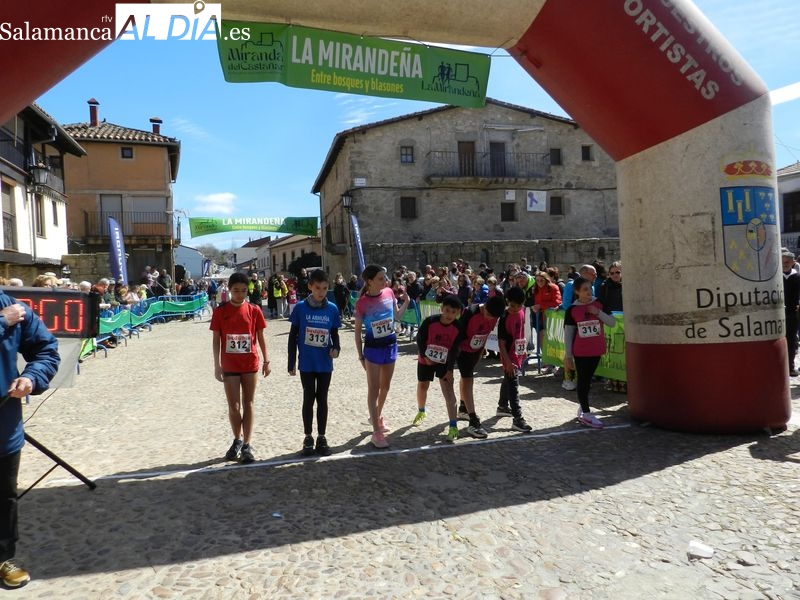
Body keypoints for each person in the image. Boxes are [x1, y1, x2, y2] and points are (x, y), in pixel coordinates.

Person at [0, 287, 60, 588]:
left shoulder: (12, 306)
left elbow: (46, 350)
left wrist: (32, 377)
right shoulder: (6, 314)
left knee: (3, 497)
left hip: (3, 427)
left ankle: (1, 558)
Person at [210, 272, 271, 464]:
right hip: (230, 364)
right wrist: (217, 365)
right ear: (229, 290)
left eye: (243, 290)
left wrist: (267, 360)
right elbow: (216, 340)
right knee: (234, 406)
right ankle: (237, 438)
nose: (240, 294)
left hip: (250, 363)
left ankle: (247, 443)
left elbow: (260, 337)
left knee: (249, 403)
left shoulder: (254, 310)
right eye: (236, 290)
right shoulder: (220, 311)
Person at [354, 264, 409, 448]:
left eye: (385, 277)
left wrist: (406, 302)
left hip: (390, 346)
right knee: (374, 389)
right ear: (370, 281)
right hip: (373, 349)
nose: (385, 281)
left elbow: (397, 317)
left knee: (385, 387)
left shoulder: (389, 293)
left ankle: (376, 417)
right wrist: (360, 356)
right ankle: (376, 433)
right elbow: (357, 332)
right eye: (380, 278)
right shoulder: (362, 303)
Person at [288, 270, 341, 456]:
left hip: (325, 363)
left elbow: (335, 334)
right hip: (307, 363)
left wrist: (337, 348)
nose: (321, 292)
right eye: (317, 288)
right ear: (310, 286)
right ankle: (308, 436)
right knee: (308, 398)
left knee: (323, 399)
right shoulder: (300, 308)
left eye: (325, 288)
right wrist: (291, 361)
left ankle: (322, 436)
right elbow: (293, 336)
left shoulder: (332, 309)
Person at [563, 276, 616, 428]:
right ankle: (586, 413)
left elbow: (612, 322)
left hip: (596, 349)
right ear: (577, 292)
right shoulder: (572, 309)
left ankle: (583, 406)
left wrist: (598, 312)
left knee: (588, 379)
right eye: (585, 289)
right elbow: (568, 334)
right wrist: (568, 356)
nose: (588, 292)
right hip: (580, 351)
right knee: (583, 380)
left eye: (590, 288)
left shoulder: (599, 303)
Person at [411, 294, 464, 442]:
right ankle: (421, 410)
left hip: (444, 362)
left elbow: (455, 349)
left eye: (453, 312)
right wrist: (425, 356)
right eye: (447, 310)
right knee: (423, 386)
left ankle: (453, 426)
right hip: (425, 359)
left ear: (458, 313)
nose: (449, 315)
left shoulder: (458, 327)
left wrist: (450, 369)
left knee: (448, 391)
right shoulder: (430, 321)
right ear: (441, 308)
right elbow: (420, 339)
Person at [454, 294, 506, 438]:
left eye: (493, 317)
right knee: (468, 380)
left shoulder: (495, 315)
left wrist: (480, 352)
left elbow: (486, 334)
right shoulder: (470, 312)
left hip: (476, 351)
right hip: (463, 350)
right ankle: (473, 421)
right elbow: (458, 334)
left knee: (466, 378)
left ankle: (463, 408)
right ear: (485, 307)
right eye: (488, 315)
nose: (490, 319)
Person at [496, 286, 533, 433]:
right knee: (514, 387)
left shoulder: (522, 312)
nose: (515, 309)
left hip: (517, 354)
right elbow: (501, 343)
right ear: (507, 301)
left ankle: (502, 406)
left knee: (508, 379)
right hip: (509, 356)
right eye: (512, 305)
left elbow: (521, 333)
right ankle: (518, 419)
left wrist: (523, 352)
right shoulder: (504, 317)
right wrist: (508, 362)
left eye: (518, 306)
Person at [531, 271, 562, 358]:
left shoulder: (553, 287)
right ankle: (545, 358)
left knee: (552, 339)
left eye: (542, 280)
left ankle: (553, 359)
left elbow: (557, 302)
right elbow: (537, 303)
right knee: (541, 338)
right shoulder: (536, 289)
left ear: (546, 279)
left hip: (552, 317)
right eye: (537, 280)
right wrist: (535, 307)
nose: (539, 282)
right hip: (540, 317)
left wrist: (540, 306)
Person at [782, 250, 800, 376]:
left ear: (793, 262)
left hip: (793, 313)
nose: (785, 264)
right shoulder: (776, 277)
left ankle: (790, 367)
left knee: (791, 340)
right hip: (778, 313)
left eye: (787, 261)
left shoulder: (797, 277)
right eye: (782, 262)